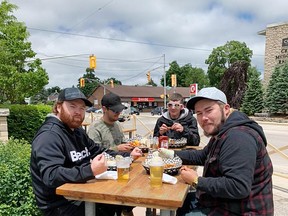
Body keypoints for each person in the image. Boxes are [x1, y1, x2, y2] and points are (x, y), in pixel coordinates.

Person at [158, 87, 274, 215]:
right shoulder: (223, 130)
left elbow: (238, 186)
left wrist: (197, 181)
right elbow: (202, 156)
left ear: (225, 109)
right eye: (199, 113)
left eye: (209, 110)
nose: (204, 118)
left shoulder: (238, 137)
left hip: (242, 210)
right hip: (223, 202)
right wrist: (169, 154)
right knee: (181, 202)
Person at [30, 87, 142, 216]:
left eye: (82, 108)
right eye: (72, 106)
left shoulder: (77, 131)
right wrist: (90, 170)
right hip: (61, 205)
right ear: (59, 107)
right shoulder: (49, 136)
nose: (78, 112)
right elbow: (51, 175)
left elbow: (98, 151)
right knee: (113, 203)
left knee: (124, 199)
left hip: (82, 194)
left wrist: (128, 155)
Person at [87, 92, 135, 216]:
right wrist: (117, 148)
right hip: (105, 175)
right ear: (104, 109)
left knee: (134, 195)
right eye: (115, 111)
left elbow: (122, 143)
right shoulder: (95, 128)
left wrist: (131, 148)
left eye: (119, 110)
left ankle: (126, 209)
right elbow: (94, 155)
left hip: (122, 170)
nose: (118, 113)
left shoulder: (118, 124)